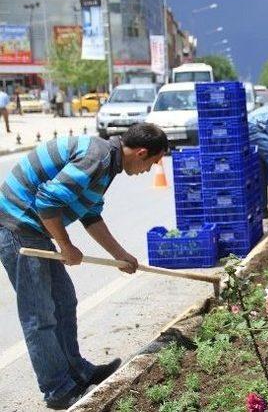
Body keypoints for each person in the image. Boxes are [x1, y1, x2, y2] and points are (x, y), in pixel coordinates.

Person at [0, 123, 168, 409]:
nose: (149, 171)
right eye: (152, 163)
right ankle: (57, 390)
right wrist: (66, 246)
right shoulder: (98, 157)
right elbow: (47, 201)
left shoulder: (108, 162)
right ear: (141, 152)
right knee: (39, 314)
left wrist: (120, 255)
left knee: (64, 301)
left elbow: (90, 214)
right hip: (18, 228)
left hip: (35, 230)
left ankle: (77, 371)